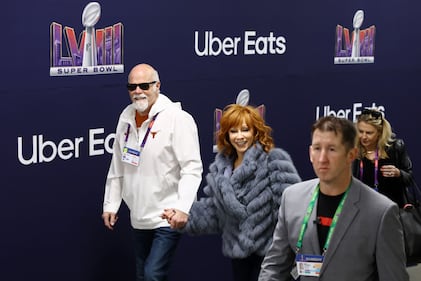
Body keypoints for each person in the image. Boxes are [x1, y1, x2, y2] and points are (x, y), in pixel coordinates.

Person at [258, 116, 408, 281]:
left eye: (332, 149)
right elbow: (274, 267)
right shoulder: (292, 198)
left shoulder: (381, 212)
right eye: (317, 148)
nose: (322, 159)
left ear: (351, 155)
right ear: (310, 153)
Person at [163, 104, 301, 281]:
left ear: (256, 132)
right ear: (226, 134)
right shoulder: (220, 170)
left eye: (245, 130)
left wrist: (288, 250)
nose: (240, 136)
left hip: (272, 255)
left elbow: (292, 208)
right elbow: (215, 213)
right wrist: (184, 216)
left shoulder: (274, 161)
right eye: (234, 131)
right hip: (239, 256)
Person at [102, 63, 203, 281]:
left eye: (144, 85)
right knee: (142, 274)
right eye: (132, 87)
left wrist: (182, 208)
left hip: (167, 214)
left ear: (157, 86)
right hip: (138, 214)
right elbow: (117, 165)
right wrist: (111, 204)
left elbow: (192, 167)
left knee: (152, 275)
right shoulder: (125, 118)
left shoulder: (178, 119)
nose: (137, 91)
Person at [352, 108, 414, 207]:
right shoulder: (353, 150)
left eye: (369, 133)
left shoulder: (395, 148)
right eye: (360, 131)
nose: (363, 137)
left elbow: (409, 178)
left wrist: (398, 173)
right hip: (363, 210)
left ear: (379, 133)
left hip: (392, 210)